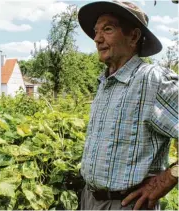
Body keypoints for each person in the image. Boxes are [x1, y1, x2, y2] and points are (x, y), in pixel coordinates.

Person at [78, 1, 178, 210]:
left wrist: (168, 178)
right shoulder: (105, 83)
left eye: (107, 29)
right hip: (89, 200)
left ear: (133, 36)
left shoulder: (152, 80)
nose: (97, 39)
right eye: (96, 31)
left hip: (127, 205)